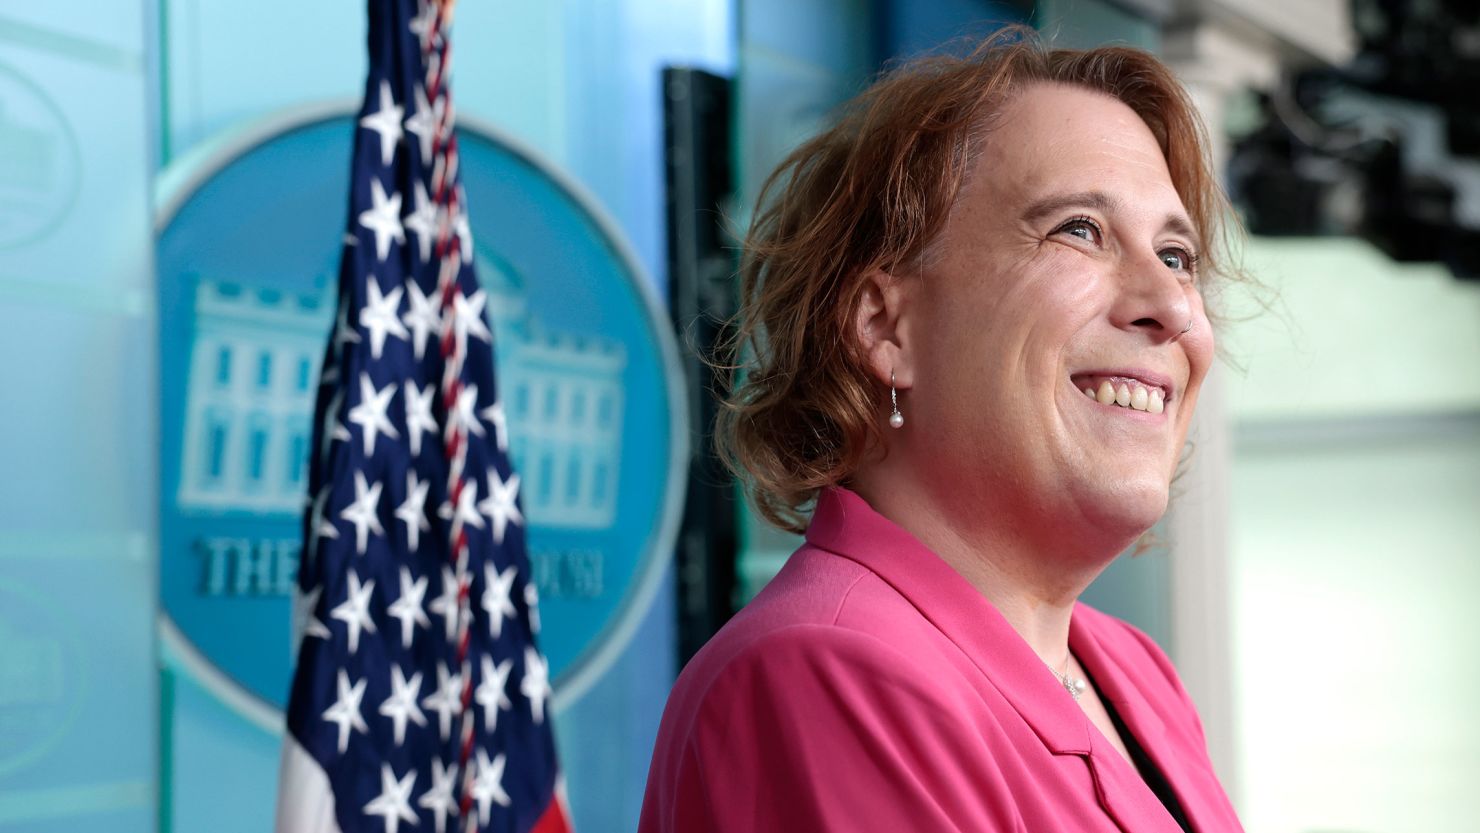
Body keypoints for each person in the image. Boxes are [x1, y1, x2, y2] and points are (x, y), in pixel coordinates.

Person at [639, 28, 1245, 833]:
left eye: (1176, 254)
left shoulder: (1135, 674)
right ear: (886, 326)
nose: (1170, 306)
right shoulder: (821, 674)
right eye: (1079, 229)